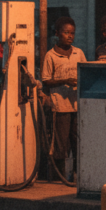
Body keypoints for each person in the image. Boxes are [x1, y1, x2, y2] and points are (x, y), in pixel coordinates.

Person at [42, 17, 87, 181]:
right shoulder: (50, 55)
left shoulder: (78, 53)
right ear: (57, 34)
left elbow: (86, 74)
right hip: (60, 106)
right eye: (66, 32)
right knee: (60, 143)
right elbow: (46, 80)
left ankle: (77, 176)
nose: (70, 36)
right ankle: (58, 177)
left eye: (72, 33)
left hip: (76, 106)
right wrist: (64, 81)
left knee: (77, 141)